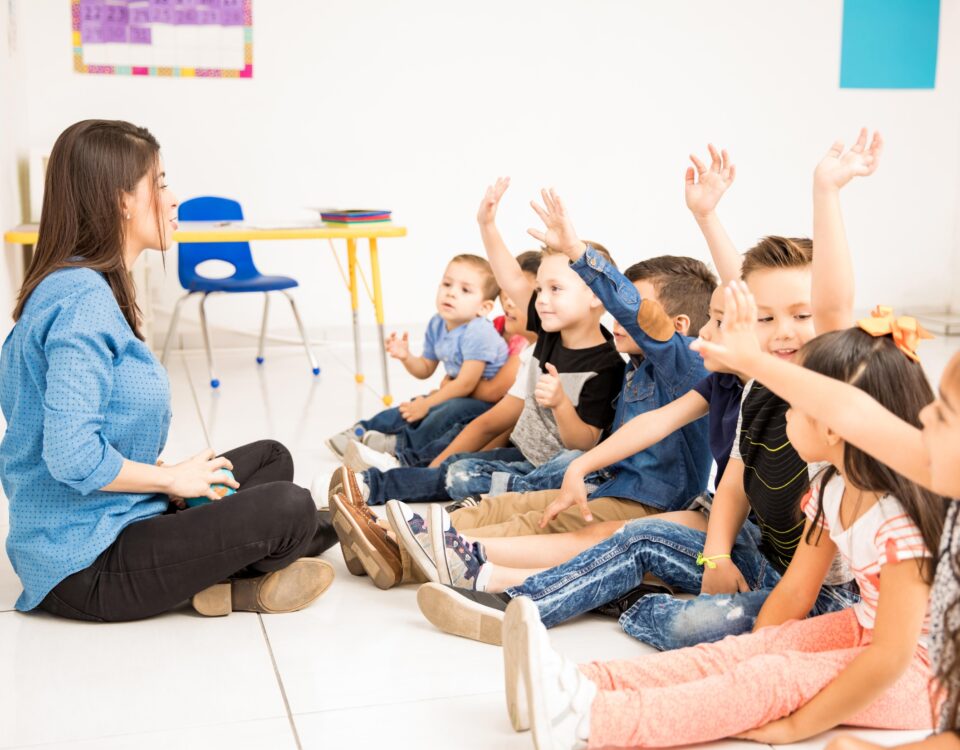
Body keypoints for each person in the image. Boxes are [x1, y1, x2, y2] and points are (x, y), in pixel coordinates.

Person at [502, 310, 944, 748]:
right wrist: (753, 652)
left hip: (924, 676)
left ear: (832, 427)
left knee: (778, 676)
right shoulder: (831, 487)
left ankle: (596, 721)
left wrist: (796, 724)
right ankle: (577, 684)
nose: (783, 416)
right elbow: (793, 593)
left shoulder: (900, 525)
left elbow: (889, 658)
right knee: (747, 652)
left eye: (793, 408)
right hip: (861, 630)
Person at [0, 119, 337, 622]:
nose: (173, 197)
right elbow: (71, 455)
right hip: (85, 564)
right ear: (122, 201)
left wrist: (163, 478)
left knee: (272, 458)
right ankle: (277, 559)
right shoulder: (82, 303)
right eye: (158, 183)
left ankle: (313, 533)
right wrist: (174, 481)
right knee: (289, 508)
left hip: (118, 516)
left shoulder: (80, 285)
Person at [325, 253, 509, 464]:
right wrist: (406, 357)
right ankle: (362, 430)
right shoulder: (437, 323)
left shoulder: (479, 332)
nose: (451, 294)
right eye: (447, 284)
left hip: (485, 405)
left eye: (465, 290)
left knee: (442, 410)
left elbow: (466, 384)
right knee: (413, 405)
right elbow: (425, 369)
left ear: (483, 308)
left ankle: (399, 444)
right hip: (457, 392)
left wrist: (428, 403)